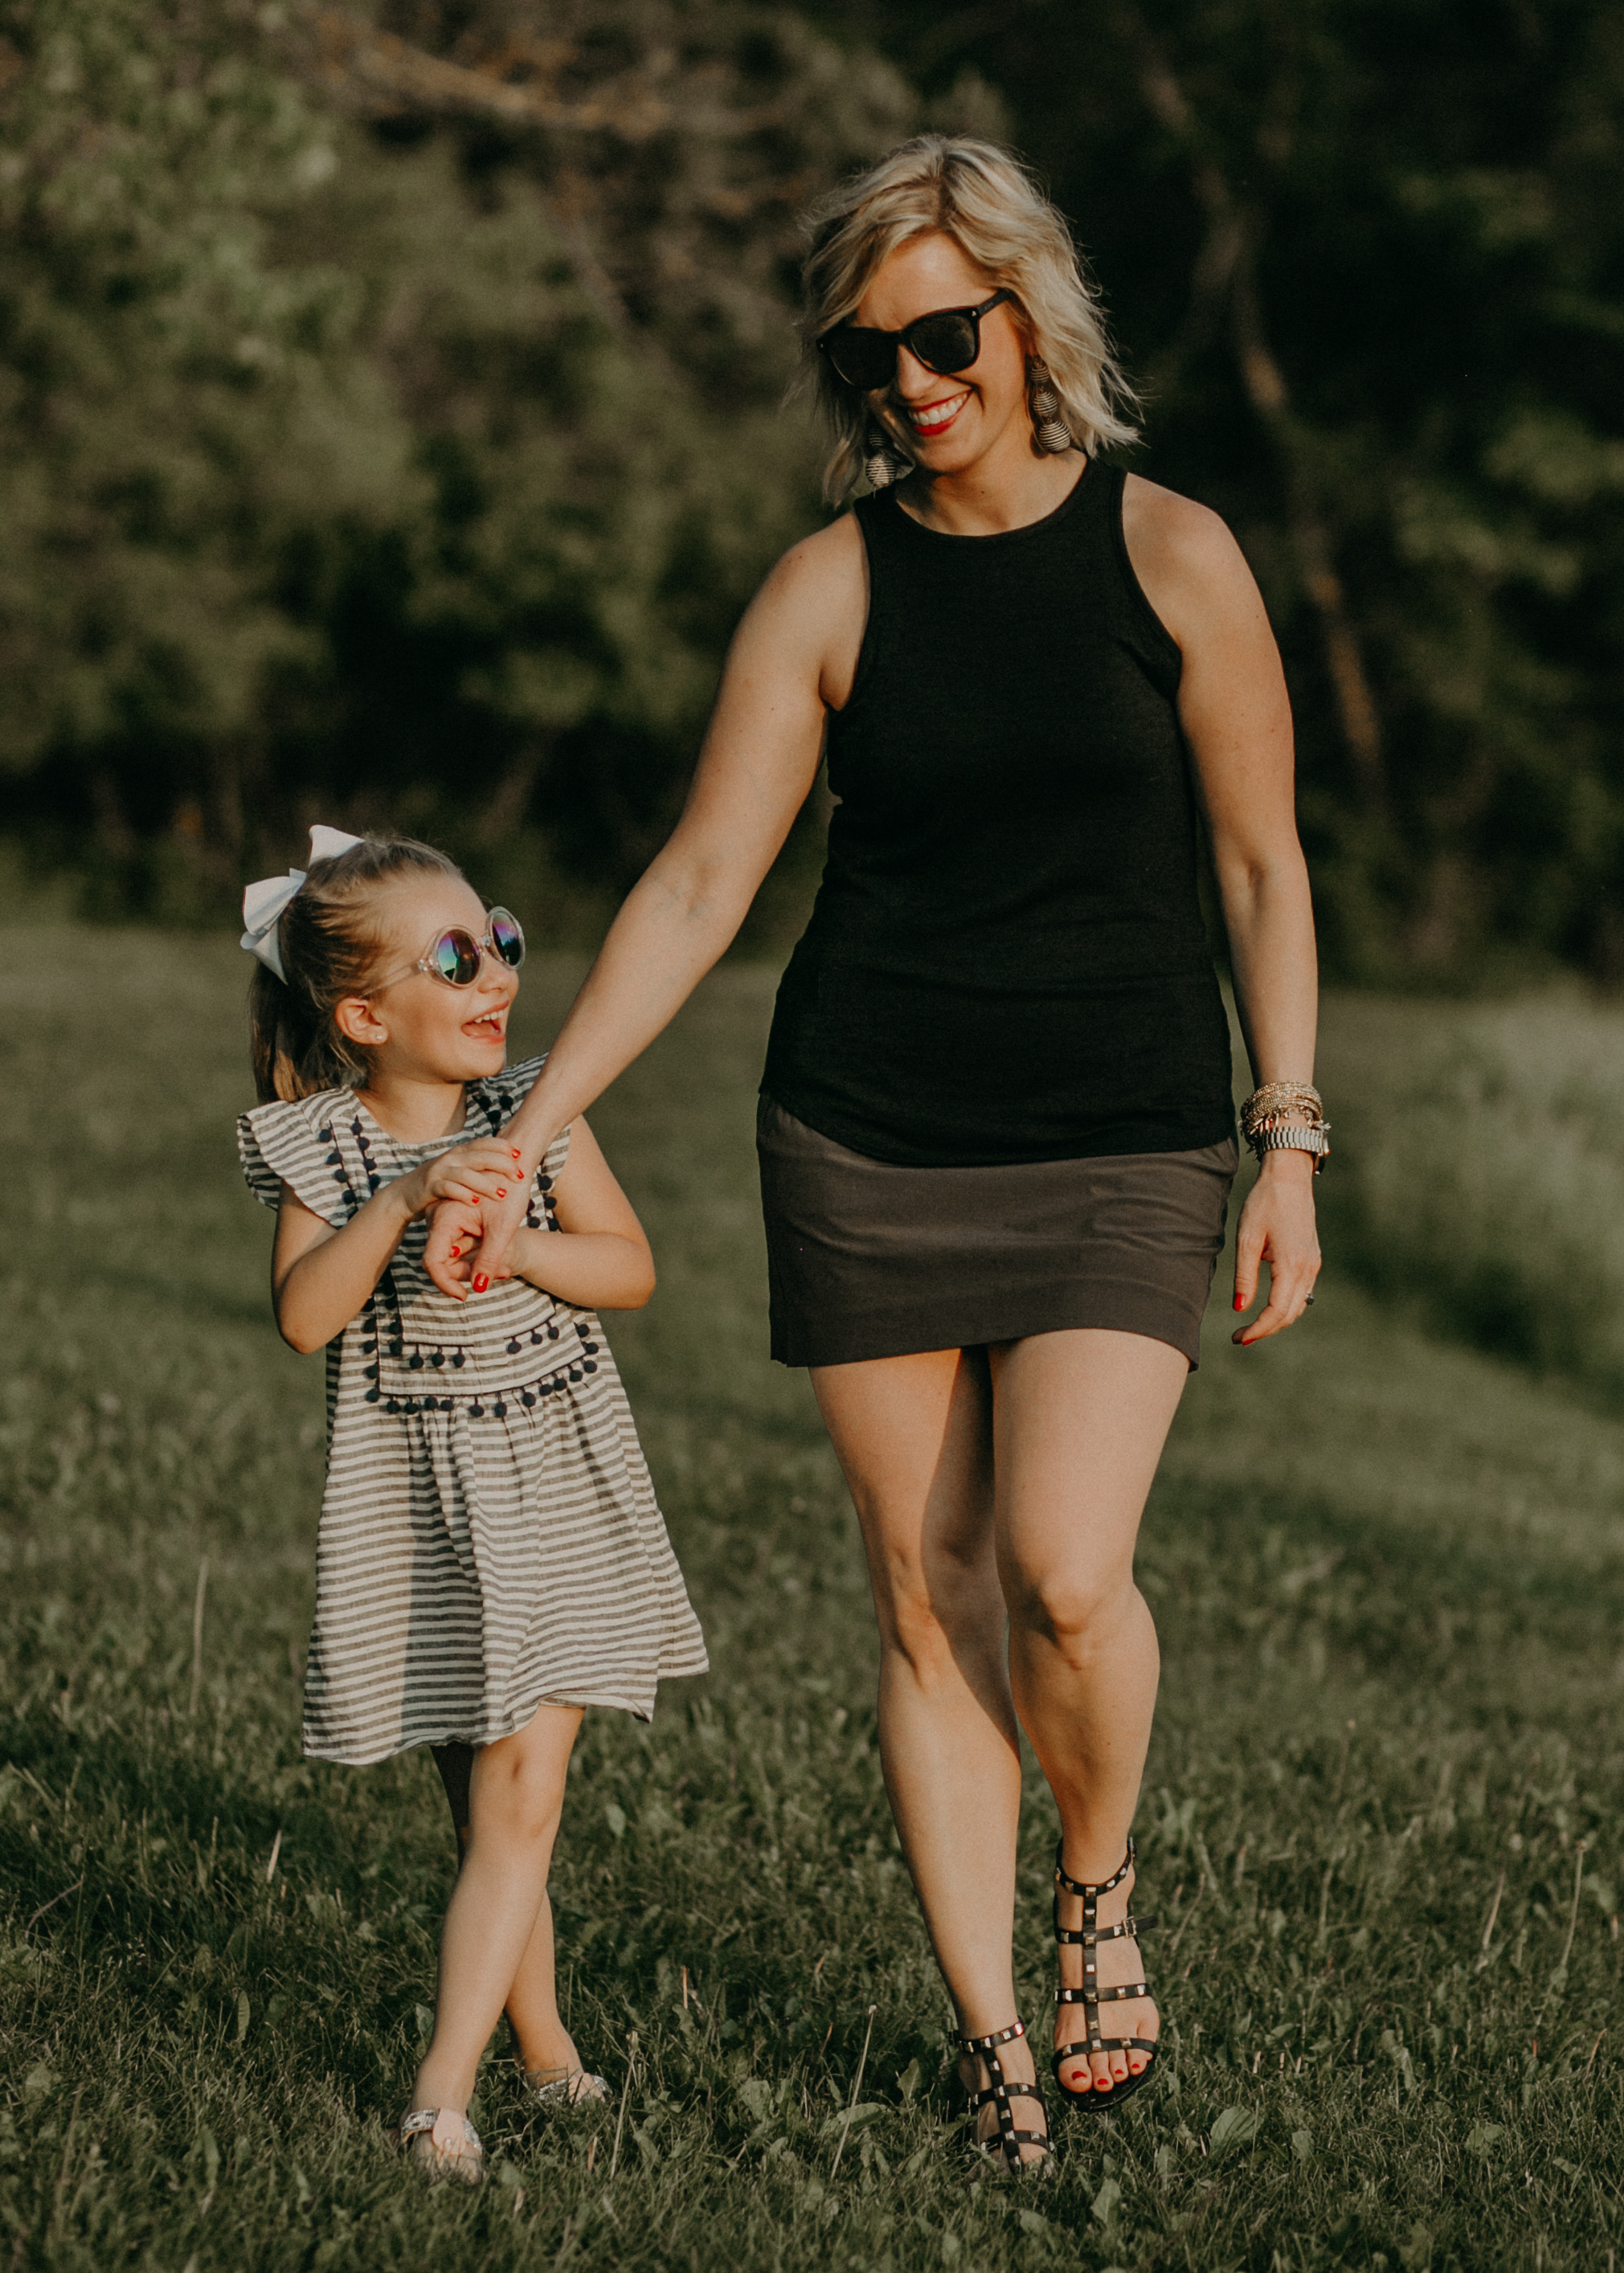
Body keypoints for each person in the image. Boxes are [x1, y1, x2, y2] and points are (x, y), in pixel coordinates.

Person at [427, 135, 1324, 2172]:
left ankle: (1095, 1885)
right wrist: (525, 1130)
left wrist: (1287, 1136)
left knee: (1065, 1576)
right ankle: (995, 2034)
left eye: (942, 334)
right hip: (869, 1128)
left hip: (1125, 1125)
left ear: (1027, 321)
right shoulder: (831, 586)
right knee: (931, 1603)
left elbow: (1266, 867)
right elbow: (700, 881)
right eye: (866, 358)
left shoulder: (1171, 555)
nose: (909, 381)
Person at [235, 825, 707, 2185]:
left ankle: (440, 2094)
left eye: (498, 936)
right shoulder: (324, 1145)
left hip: (552, 1482)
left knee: (524, 1790)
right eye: (457, 956)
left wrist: (519, 1233)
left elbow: (630, 1268)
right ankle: (548, 2045)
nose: (497, 969)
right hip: (421, 1510)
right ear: (365, 1015)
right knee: (488, 1808)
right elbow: (301, 1320)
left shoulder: (538, 1109)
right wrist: (399, 1197)